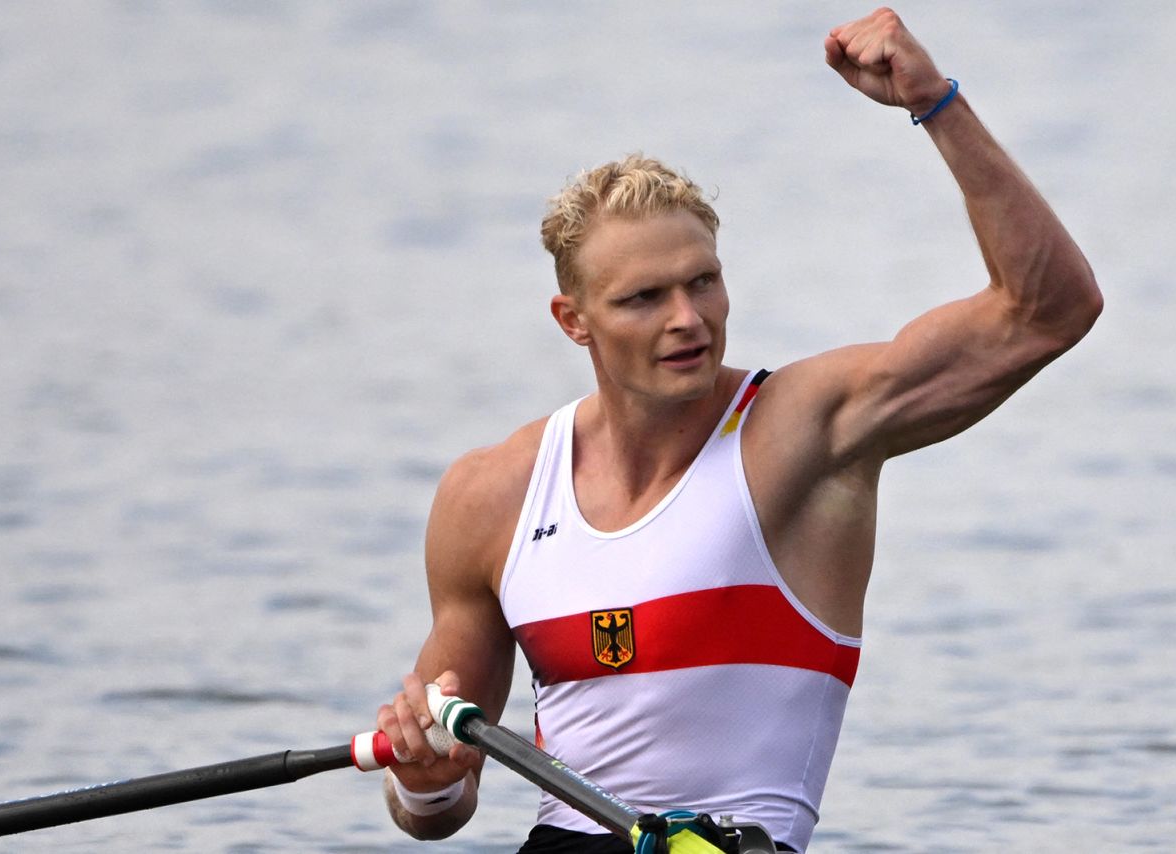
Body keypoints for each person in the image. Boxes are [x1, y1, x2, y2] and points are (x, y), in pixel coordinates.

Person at [375, 8, 1102, 853]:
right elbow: (437, 808)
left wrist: (936, 104)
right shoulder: (491, 494)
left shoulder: (806, 431)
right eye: (644, 299)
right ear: (573, 321)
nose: (688, 319)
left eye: (704, 283)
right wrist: (422, 780)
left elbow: (1049, 311)